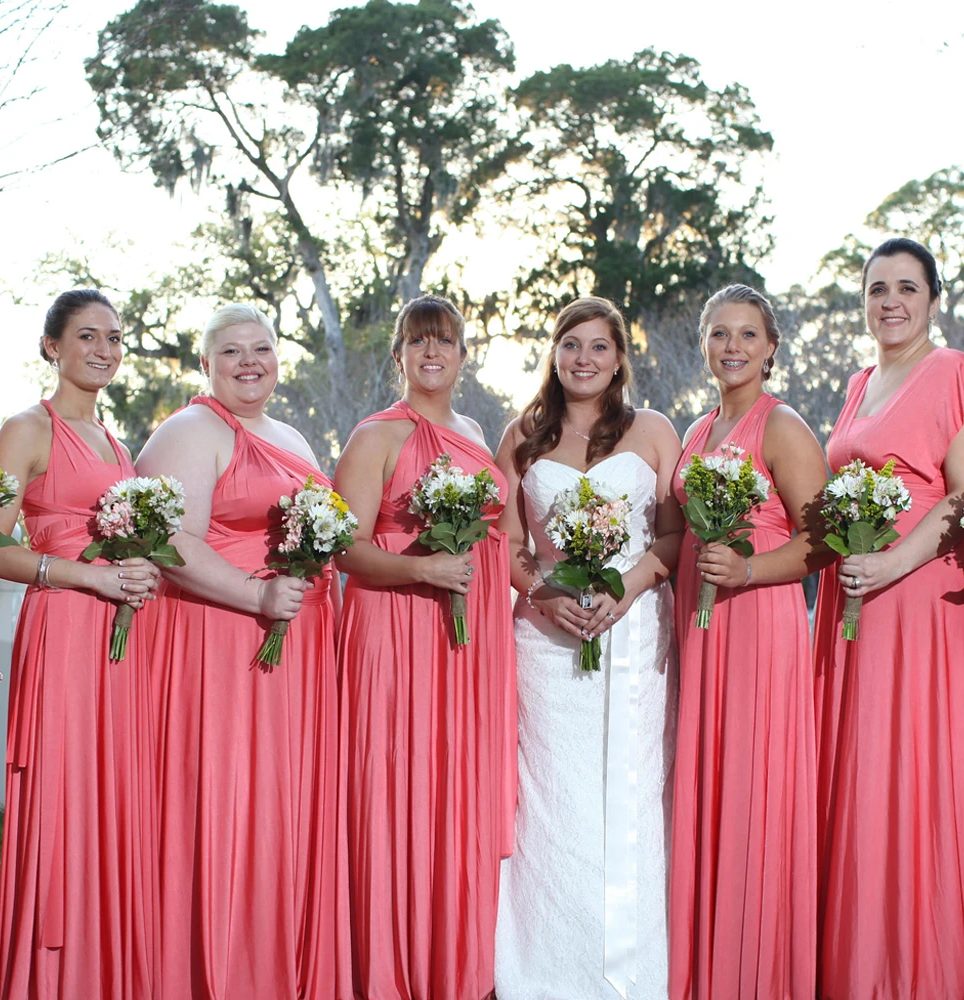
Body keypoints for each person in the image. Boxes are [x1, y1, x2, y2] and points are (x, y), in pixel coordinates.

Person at [136, 304, 348, 1000]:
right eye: (231, 352)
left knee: (284, 813)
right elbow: (170, 543)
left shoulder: (289, 434)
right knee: (230, 804)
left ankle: (280, 966)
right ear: (206, 364)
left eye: (261, 348)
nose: (249, 361)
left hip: (300, 649)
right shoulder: (190, 430)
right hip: (223, 645)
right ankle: (218, 973)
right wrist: (256, 598)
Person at [812, 238, 964, 1000]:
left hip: (922, 608)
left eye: (906, 288)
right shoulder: (859, 382)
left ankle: (919, 973)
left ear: (933, 300)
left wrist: (889, 564)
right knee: (862, 788)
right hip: (854, 611)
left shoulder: (953, 372)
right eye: (877, 287)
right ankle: (859, 969)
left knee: (914, 783)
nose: (890, 301)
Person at [492, 296, 681, 1000]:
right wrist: (548, 594)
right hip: (546, 641)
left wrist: (625, 589)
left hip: (632, 632)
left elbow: (670, 536)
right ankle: (543, 969)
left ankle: (629, 969)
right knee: (554, 797)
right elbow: (505, 545)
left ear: (619, 358)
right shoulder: (522, 436)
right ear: (554, 352)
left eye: (599, 347)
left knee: (630, 790)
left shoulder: (654, 431)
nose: (584, 359)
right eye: (571, 344)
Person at [333, 294, 516, 1000]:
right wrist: (421, 568)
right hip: (394, 635)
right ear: (400, 356)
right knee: (398, 782)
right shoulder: (376, 435)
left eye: (444, 341)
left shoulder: (474, 431)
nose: (431, 353)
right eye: (417, 342)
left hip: (466, 646)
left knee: (455, 792)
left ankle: (457, 965)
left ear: (464, 355)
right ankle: (391, 966)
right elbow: (345, 550)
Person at [0, 290, 160, 999]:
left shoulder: (118, 443)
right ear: (52, 347)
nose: (104, 349)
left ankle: (102, 971)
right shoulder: (26, 430)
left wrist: (139, 570)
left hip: (116, 641)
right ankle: (50, 974)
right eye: (88, 336)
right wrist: (83, 578)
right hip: (63, 628)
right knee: (66, 792)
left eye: (114, 338)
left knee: (110, 795)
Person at [668, 284, 827, 1000]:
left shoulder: (782, 426)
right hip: (699, 633)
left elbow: (821, 542)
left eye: (747, 335)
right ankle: (701, 967)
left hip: (759, 627)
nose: (732, 347)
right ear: (705, 344)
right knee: (703, 784)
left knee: (752, 787)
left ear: (770, 348)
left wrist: (749, 569)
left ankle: (755, 973)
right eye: (719, 334)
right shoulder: (698, 430)